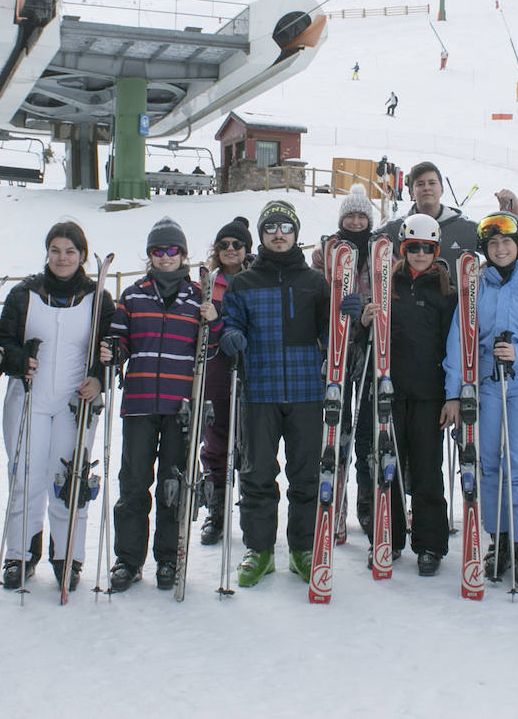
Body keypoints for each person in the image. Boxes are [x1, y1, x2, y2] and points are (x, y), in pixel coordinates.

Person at [442, 211, 518, 587]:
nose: (500, 249)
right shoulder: (475, 286)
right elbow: (457, 342)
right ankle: (501, 540)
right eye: (493, 243)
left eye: (507, 242)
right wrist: (454, 391)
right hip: (485, 384)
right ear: (485, 249)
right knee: (489, 465)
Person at [218, 200, 341, 587]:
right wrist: (231, 336)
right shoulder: (243, 283)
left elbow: (330, 335)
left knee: (305, 474)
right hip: (259, 391)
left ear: (295, 234)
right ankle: (260, 550)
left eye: (285, 228)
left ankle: (303, 549)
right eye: (271, 228)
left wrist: (344, 314)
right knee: (257, 473)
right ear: (262, 235)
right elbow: (229, 324)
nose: (278, 234)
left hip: (306, 391)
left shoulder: (314, 283)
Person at [0, 222, 115, 591]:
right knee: (25, 477)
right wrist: (17, 360)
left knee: (69, 481)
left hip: (74, 401)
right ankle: (20, 554)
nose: (62, 258)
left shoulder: (97, 298)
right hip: (29, 397)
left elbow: (109, 348)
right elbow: (2, 342)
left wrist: (98, 377)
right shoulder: (24, 294)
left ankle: (67, 557)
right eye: (56, 250)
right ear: (47, 253)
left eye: (70, 251)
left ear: (81, 255)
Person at [105, 218, 219, 591]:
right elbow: (121, 341)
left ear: (183, 254)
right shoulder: (134, 295)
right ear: (150, 255)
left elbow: (211, 350)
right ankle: (128, 559)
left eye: (172, 250)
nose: (165, 256)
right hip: (139, 403)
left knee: (174, 484)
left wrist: (213, 322)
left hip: (180, 406)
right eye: (158, 250)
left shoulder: (198, 297)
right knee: (134, 483)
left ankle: (168, 558)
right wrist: (112, 351)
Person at [360, 213, 458, 575]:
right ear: (403, 248)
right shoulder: (387, 283)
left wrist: (452, 397)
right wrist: (365, 320)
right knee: (386, 467)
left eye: (427, 248)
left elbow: (455, 347)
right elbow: (362, 341)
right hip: (390, 391)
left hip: (429, 395)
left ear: (435, 250)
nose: (419, 255)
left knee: (427, 470)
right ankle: (388, 536)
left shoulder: (446, 292)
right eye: (413, 247)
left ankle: (430, 545)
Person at [310, 184, 377, 537]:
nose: (354, 221)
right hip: (334, 350)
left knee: (365, 432)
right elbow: (318, 296)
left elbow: (387, 295)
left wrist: (366, 309)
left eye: (360, 214)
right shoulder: (325, 253)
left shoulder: (384, 252)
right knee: (335, 430)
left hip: (368, 349)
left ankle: (366, 506)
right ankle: (334, 508)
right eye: (349, 215)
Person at [196, 216, 254, 545]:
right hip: (217, 366)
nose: (230, 249)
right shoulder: (208, 282)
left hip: (249, 364)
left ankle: (250, 505)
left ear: (247, 249)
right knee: (216, 436)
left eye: (237, 245)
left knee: (250, 437)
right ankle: (216, 508)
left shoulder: (256, 279)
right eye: (224, 245)